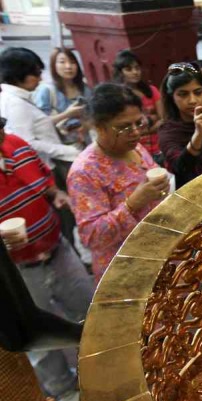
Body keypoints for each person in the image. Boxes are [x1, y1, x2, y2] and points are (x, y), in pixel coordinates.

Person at [0, 116, 94, 401]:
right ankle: (64, 391)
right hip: (18, 272)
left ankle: (99, 367)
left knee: (88, 307)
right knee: (37, 334)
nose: (3, 135)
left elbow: (43, 178)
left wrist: (55, 194)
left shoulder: (15, 145)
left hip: (57, 249)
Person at [68, 84, 169, 284]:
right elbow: (92, 236)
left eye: (138, 123)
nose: (135, 132)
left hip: (158, 253)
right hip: (125, 269)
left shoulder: (135, 148)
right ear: (99, 126)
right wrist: (133, 203)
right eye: (123, 126)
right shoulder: (85, 172)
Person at [0, 47, 81, 174]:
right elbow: (26, 142)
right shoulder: (15, 103)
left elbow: (36, 125)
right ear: (18, 75)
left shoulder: (16, 97)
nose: (40, 79)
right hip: (45, 167)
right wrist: (68, 151)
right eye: (36, 74)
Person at [33, 47, 92, 150]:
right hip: (61, 147)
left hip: (87, 143)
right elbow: (40, 123)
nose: (68, 67)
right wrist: (67, 114)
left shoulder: (84, 87)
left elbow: (96, 114)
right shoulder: (47, 91)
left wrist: (86, 125)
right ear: (53, 65)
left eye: (72, 62)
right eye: (62, 62)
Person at [112, 50, 164, 164]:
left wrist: (145, 128)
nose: (135, 72)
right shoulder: (118, 97)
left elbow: (163, 119)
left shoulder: (151, 90)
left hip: (160, 146)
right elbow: (124, 130)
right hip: (135, 151)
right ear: (120, 72)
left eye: (137, 68)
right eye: (129, 69)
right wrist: (152, 119)